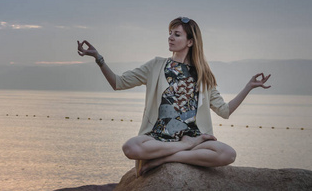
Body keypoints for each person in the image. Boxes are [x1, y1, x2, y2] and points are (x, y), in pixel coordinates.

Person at [77, 16, 271, 176]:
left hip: (191, 138)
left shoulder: (203, 75)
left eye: (176, 34)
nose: (170, 37)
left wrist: (249, 87)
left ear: (190, 41)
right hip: (159, 139)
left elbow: (225, 110)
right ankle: (182, 149)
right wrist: (98, 59)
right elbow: (118, 83)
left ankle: (165, 158)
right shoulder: (156, 65)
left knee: (228, 154)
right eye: (170, 33)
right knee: (130, 147)